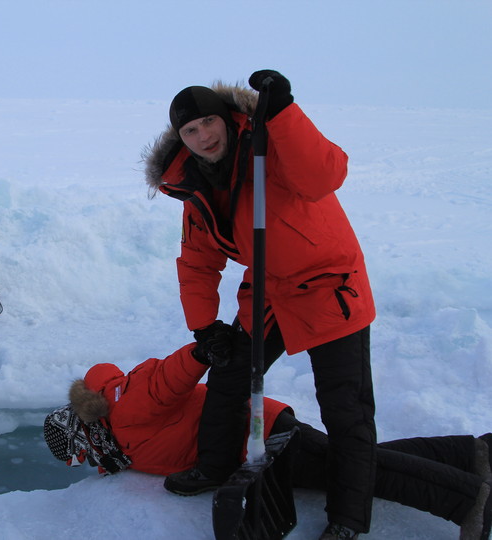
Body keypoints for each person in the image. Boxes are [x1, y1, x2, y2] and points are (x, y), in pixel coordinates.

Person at [141, 70, 376, 539]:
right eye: (191, 130)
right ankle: (213, 466)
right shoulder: (196, 188)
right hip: (270, 290)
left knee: (344, 407)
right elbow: (197, 261)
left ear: (227, 119)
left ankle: (347, 518)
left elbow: (326, 173)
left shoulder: (271, 148)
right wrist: (205, 328)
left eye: (209, 121)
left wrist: (285, 112)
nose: (203, 135)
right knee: (229, 379)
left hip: (331, 288)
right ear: (182, 140)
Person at [43, 343, 492, 540]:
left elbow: (167, 380)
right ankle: (471, 453)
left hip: (263, 435)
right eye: (81, 460)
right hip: (255, 444)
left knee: (355, 473)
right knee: (356, 461)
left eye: (81, 449)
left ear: (83, 424)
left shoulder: (127, 406)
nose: (89, 459)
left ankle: (467, 500)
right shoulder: (120, 443)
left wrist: (200, 353)